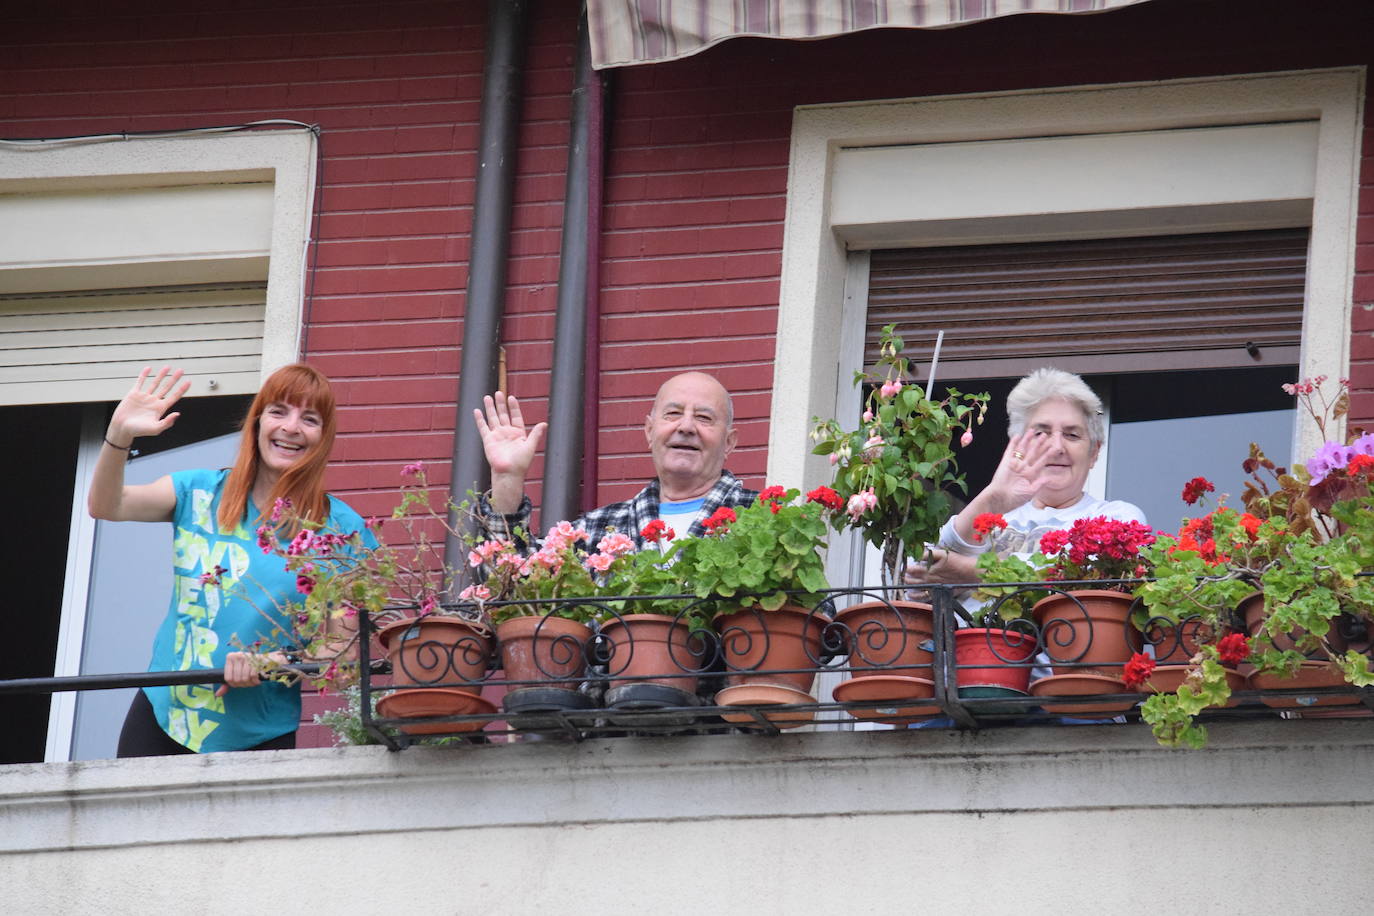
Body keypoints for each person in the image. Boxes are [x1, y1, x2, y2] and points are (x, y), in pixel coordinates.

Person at [89, 364, 372, 757]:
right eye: (278, 411)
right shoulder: (198, 491)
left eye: (309, 419)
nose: (291, 427)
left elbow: (342, 650)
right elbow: (106, 504)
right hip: (162, 716)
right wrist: (118, 436)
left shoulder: (342, 531)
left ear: (323, 438)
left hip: (258, 736)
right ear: (257, 422)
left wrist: (275, 661)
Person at [906, 367, 1146, 585]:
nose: (1056, 447)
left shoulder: (1118, 517)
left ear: (1094, 453)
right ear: (1017, 446)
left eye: (1072, 435)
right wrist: (992, 498)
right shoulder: (992, 515)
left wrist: (972, 571)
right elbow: (918, 577)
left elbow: (1090, 579)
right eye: (1041, 433)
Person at [474, 371, 758, 546]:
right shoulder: (596, 529)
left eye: (704, 417)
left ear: (729, 442)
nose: (685, 427)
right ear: (649, 431)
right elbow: (515, 584)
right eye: (672, 414)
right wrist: (507, 479)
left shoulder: (766, 519)